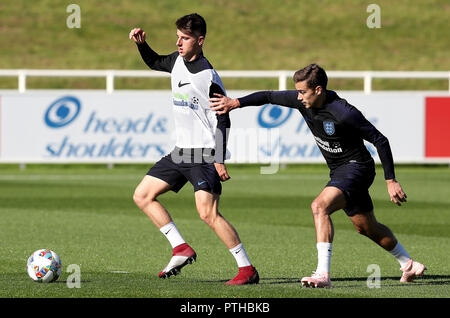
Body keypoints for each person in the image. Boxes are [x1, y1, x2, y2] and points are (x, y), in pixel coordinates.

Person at [209, 63, 426, 288]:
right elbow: (268, 95)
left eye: (303, 91)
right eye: (298, 91)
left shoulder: (344, 112)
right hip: (340, 170)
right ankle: (408, 264)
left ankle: (323, 274)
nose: (299, 96)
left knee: (319, 207)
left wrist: (390, 180)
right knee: (366, 227)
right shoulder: (302, 100)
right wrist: (236, 103)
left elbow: (380, 140)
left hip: (356, 168)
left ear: (319, 90)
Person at [129, 13, 259, 285]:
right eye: (177, 36)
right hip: (181, 152)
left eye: (185, 38)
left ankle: (246, 269)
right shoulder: (177, 60)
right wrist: (142, 44)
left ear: (200, 41)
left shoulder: (208, 76)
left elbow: (224, 117)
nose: (179, 42)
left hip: (204, 153)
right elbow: (154, 62)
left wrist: (220, 158)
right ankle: (180, 248)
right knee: (142, 195)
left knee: (207, 213)